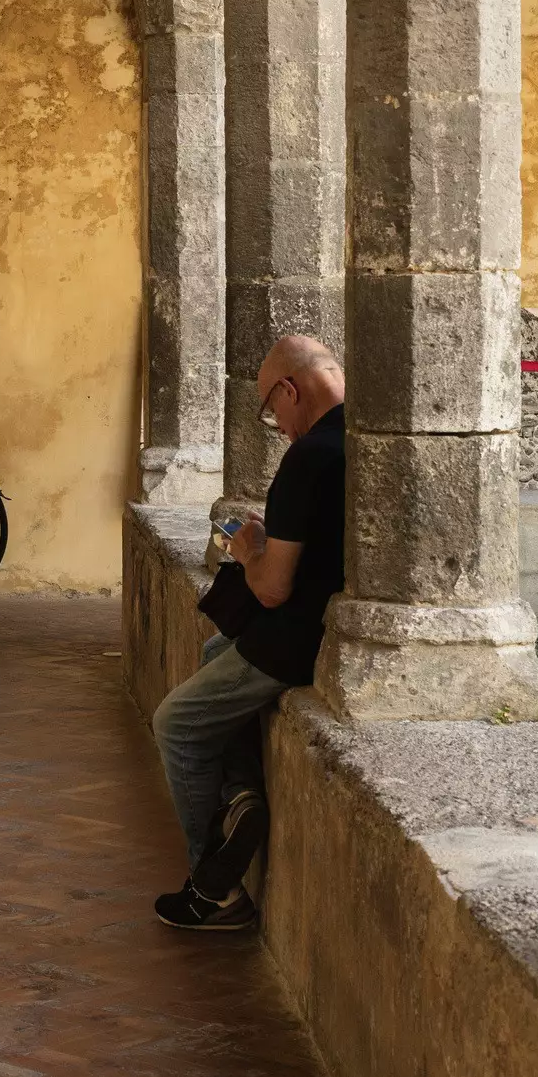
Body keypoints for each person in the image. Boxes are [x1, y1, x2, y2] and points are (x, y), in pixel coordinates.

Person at [150, 333, 346, 932]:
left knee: (176, 723)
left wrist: (249, 547)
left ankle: (214, 890)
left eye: (269, 410)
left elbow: (270, 590)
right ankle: (238, 799)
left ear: (289, 390)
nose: (276, 424)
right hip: (328, 629)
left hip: (291, 639)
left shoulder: (307, 457)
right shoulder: (363, 437)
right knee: (214, 650)